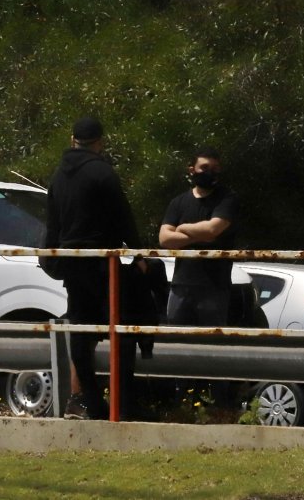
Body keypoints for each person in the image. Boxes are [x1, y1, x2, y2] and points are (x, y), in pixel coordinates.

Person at [44, 116, 145, 420]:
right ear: (99, 142)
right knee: (121, 331)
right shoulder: (103, 172)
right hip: (103, 265)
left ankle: (90, 400)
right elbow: (122, 216)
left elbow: (53, 223)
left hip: (72, 263)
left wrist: (51, 258)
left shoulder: (58, 176)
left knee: (81, 330)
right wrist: (138, 253)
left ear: (72, 138)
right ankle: (122, 405)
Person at [158, 147, 238, 327]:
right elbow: (164, 239)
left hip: (214, 287)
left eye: (215, 168)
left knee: (211, 344)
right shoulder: (178, 202)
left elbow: (212, 230)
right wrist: (197, 236)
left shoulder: (227, 199)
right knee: (177, 339)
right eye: (205, 167)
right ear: (192, 170)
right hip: (181, 285)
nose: (210, 172)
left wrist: (183, 228)